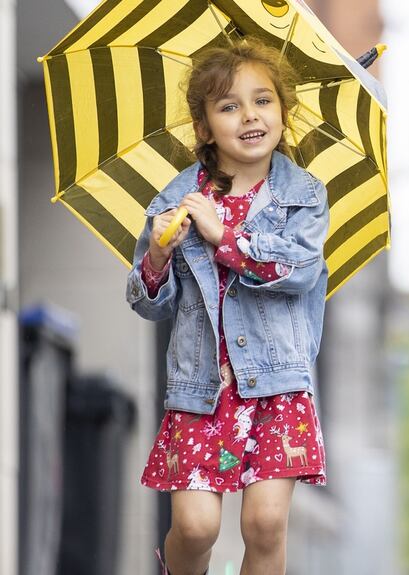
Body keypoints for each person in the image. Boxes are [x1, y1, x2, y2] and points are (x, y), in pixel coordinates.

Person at [126, 41, 329, 575]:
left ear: (284, 113)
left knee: (264, 525)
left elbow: (300, 271)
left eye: (263, 100)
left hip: (276, 384)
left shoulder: (303, 194)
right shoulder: (174, 201)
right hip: (201, 387)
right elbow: (150, 304)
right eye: (229, 106)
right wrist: (157, 256)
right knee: (195, 528)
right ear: (203, 127)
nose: (250, 116)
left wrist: (226, 237)